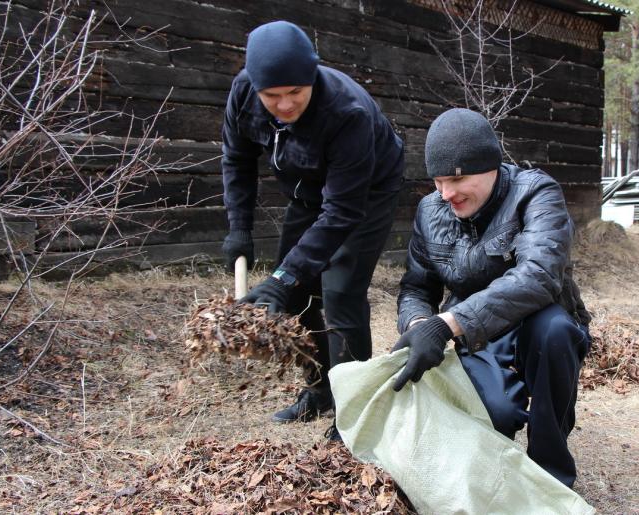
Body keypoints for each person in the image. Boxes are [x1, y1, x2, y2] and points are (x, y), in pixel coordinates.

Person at [220, 21, 404, 440]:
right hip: (308, 190)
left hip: (365, 192)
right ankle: (320, 389)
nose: (284, 106)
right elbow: (237, 161)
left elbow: (342, 211)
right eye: (273, 96)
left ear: (312, 76)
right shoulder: (244, 94)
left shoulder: (346, 111)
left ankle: (356, 410)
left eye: (295, 94)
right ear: (256, 86)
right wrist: (239, 230)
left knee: (340, 292)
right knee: (300, 293)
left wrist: (282, 277)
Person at [393, 108, 591, 488]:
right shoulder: (429, 210)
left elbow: (540, 275)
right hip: (477, 331)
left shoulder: (535, 192)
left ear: (491, 166)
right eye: (437, 181)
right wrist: (420, 325)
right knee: (495, 414)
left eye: (457, 178)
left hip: (538, 320)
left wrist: (447, 324)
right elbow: (417, 287)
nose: (447, 193)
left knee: (554, 332)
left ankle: (550, 475)